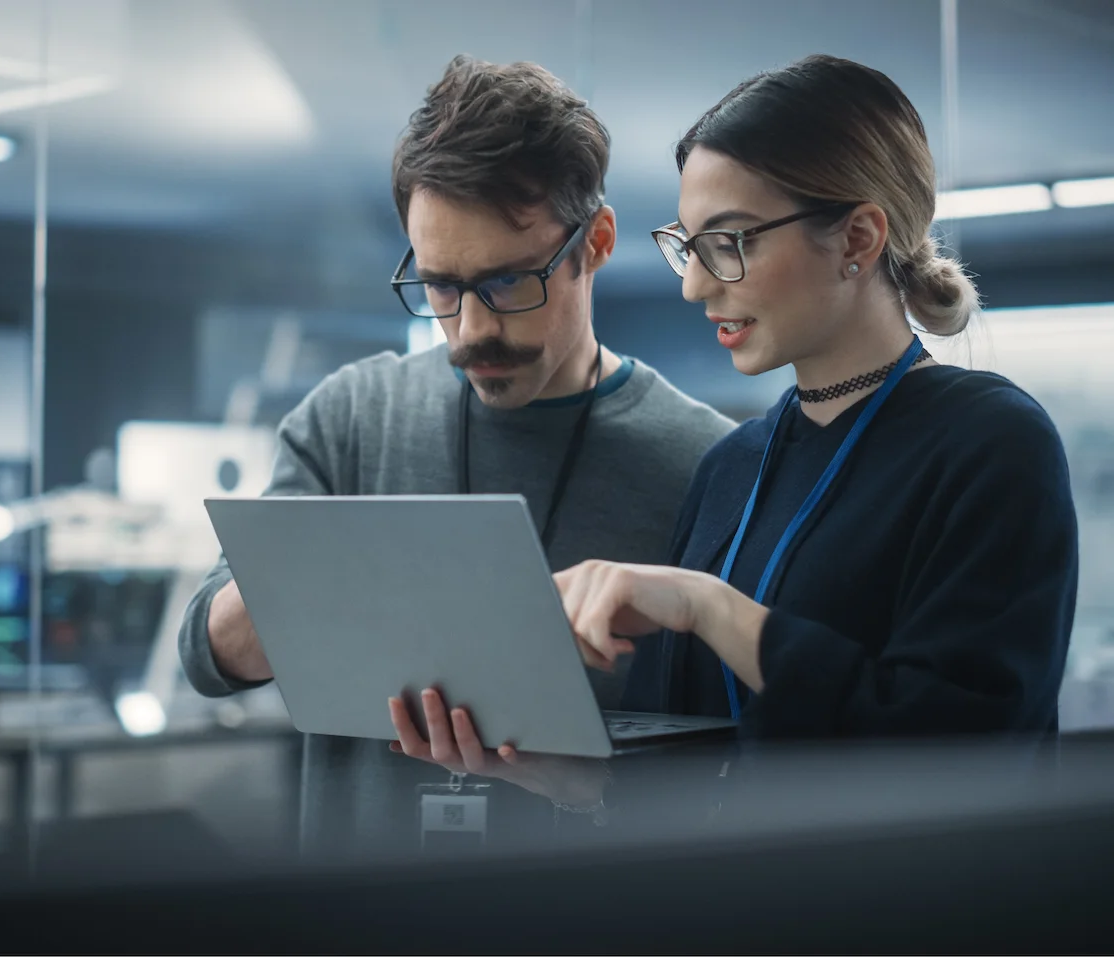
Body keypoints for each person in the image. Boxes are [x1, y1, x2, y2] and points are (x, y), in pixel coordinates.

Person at [395, 54, 1078, 809]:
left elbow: (962, 749)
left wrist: (709, 608)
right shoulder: (733, 466)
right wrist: (573, 779)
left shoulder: (990, 443)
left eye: (731, 242)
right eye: (689, 245)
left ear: (857, 238)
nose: (694, 284)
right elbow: (689, 771)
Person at [178, 55, 733, 858]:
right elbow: (205, 652)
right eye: (440, 286)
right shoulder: (352, 417)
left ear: (596, 243)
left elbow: (729, 774)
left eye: (508, 283)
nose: (470, 329)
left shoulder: (706, 464)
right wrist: (317, 581)